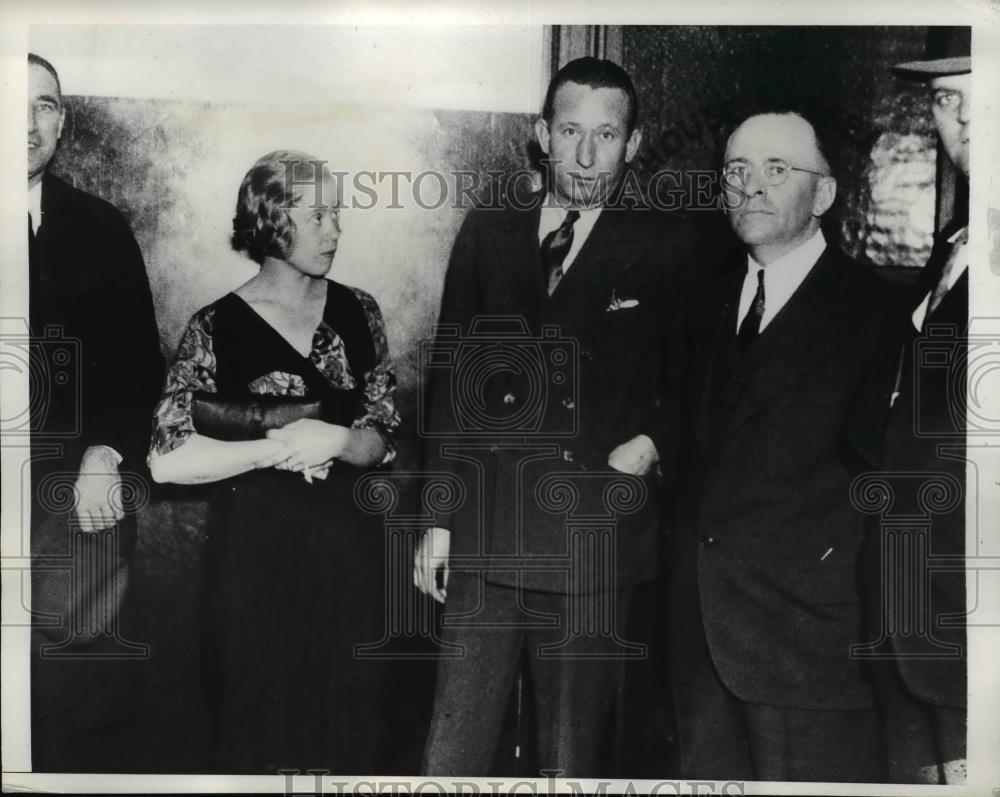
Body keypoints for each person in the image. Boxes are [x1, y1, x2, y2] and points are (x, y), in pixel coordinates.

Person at [414, 57, 697, 776]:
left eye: (606, 135)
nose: (585, 154)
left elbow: (702, 382)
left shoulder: (669, 247)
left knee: (569, 761)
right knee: (451, 753)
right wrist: (438, 519)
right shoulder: (488, 234)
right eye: (570, 130)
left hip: (592, 537)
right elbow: (450, 383)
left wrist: (653, 441)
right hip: (486, 529)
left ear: (633, 145)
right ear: (541, 134)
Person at [665, 111, 899, 782]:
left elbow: (884, 488)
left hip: (808, 646)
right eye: (737, 171)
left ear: (824, 195)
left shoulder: (875, 315)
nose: (752, 187)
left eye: (777, 170)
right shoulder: (700, 301)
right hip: (700, 640)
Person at [148, 152, 400, 773]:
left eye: (336, 213)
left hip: (354, 566)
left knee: (352, 744)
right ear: (267, 221)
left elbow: (384, 436)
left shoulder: (359, 310)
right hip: (255, 570)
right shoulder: (213, 327)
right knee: (258, 740)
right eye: (317, 216)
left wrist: (337, 442)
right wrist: (279, 447)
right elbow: (166, 460)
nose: (335, 231)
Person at [27, 52, 165, 771]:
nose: (26, 121)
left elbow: (141, 368)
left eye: (44, 105)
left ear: (64, 122)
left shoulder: (100, 230)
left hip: (70, 500)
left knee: (70, 696)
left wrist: (106, 450)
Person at [856, 29, 970, 784]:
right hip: (906, 599)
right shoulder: (957, 245)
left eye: (984, 100)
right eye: (946, 101)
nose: (961, 122)